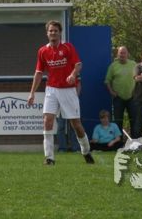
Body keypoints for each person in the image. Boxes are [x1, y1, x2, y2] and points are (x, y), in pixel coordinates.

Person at [27, 20, 94, 166]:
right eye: (50, 31)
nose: (53, 33)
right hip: (51, 90)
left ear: (60, 33)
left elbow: (78, 64)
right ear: (47, 33)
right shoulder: (42, 51)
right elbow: (38, 73)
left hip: (68, 90)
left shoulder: (68, 47)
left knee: (76, 125)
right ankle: (49, 158)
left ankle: (86, 151)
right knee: (47, 121)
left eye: (55, 31)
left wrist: (73, 74)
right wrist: (32, 93)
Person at [105, 46, 137, 137]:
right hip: (118, 98)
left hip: (132, 97)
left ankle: (135, 142)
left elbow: (138, 78)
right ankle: (118, 142)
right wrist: (111, 92)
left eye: (124, 53)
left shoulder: (133, 64)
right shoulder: (113, 66)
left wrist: (136, 91)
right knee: (118, 121)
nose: (122, 55)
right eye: (120, 53)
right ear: (117, 54)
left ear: (127, 54)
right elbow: (107, 81)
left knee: (134, 120)